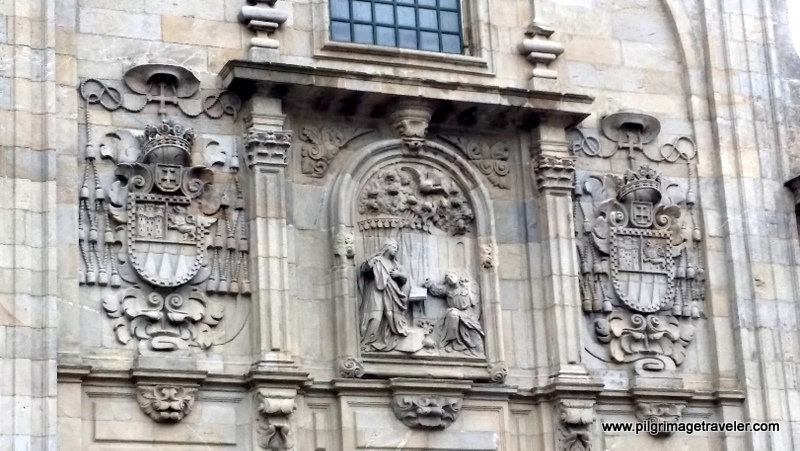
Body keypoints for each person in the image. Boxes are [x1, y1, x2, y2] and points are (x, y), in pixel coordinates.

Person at [357, 239, 410, 351]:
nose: (396, 250)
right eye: (394, 247)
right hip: (376, 290)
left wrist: (398, 275)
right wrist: (372, 258)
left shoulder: (396, 265)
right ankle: (366, 342)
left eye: (397, 248)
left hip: (391, 293)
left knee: (389, 316)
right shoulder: (377, 260)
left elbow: (404, 280)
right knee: (375, 317)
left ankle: (384, 340)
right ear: (387, 247)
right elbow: (364, 269)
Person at [424, 271, 484, 356]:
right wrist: (431, 284)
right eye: (448, 278)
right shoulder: (447, 289)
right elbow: (437, 290)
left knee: (477, 342)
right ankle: (451, 342)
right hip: (455, 312)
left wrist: (469, 288)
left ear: (457, 276)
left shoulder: (466, 286)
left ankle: (475, 352)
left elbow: (474, 302)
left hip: (468, 315)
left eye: (451, 276)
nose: (450, 279)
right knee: (453, 315)